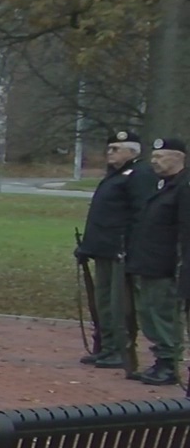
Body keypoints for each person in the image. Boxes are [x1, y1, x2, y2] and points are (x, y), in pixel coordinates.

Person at [77, 129, 143, 371]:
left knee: (119, 304)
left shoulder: (137, 175)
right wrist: (88, 246)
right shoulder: (114, 176)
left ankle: (120, 349)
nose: (110, 153)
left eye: (116, 149)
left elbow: (139, 215)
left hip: (120, 250)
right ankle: (107, 346)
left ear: (132, 151)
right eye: (109, 148)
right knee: (103, 301)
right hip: (103, 248)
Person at [128, 138, 184, 384]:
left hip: (166, 265)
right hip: (148, 262)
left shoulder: (183, 188)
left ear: (178, 158)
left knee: (163, 315)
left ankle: (169, 363)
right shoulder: (161, 186)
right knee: (148, 313)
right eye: (154, 156)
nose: (154, 160)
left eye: (161, 156)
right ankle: (160, 359)